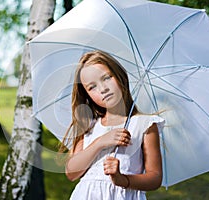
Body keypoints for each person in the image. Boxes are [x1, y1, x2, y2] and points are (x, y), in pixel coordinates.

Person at [59, 50, 165, 200]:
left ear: (119, 76)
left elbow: (155, 178)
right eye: (92, 87)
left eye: (107, 78)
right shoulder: (89, 126)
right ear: (87, 94)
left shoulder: (144, 125)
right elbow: (71, 172)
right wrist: (100, 142)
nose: (103, 89)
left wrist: (123, 180)